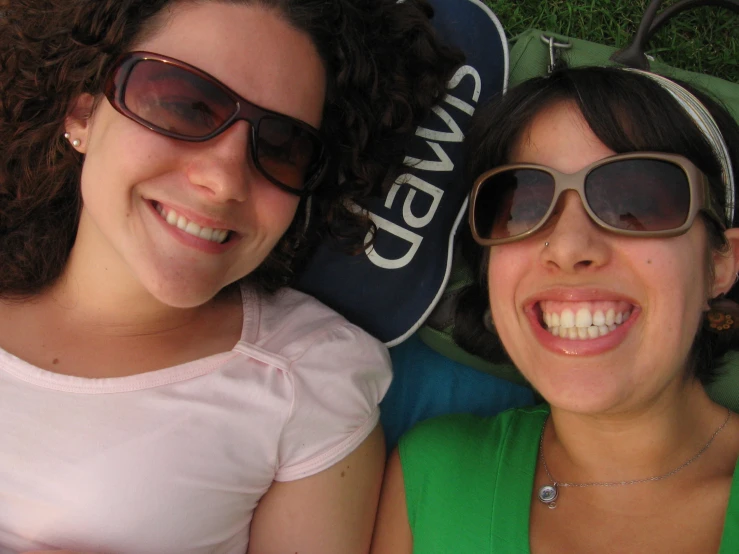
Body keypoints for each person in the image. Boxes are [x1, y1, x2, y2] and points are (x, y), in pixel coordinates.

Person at [0, 1, 462, 552]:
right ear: (82, 113)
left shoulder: (305, 380)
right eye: (184, 106)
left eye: (281, 147)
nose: (224, 180)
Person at [370, 66, 739, 553]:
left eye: (634, 202)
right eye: (523, 205)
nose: (566, 247)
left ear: (721, 263)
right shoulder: (431, 474)